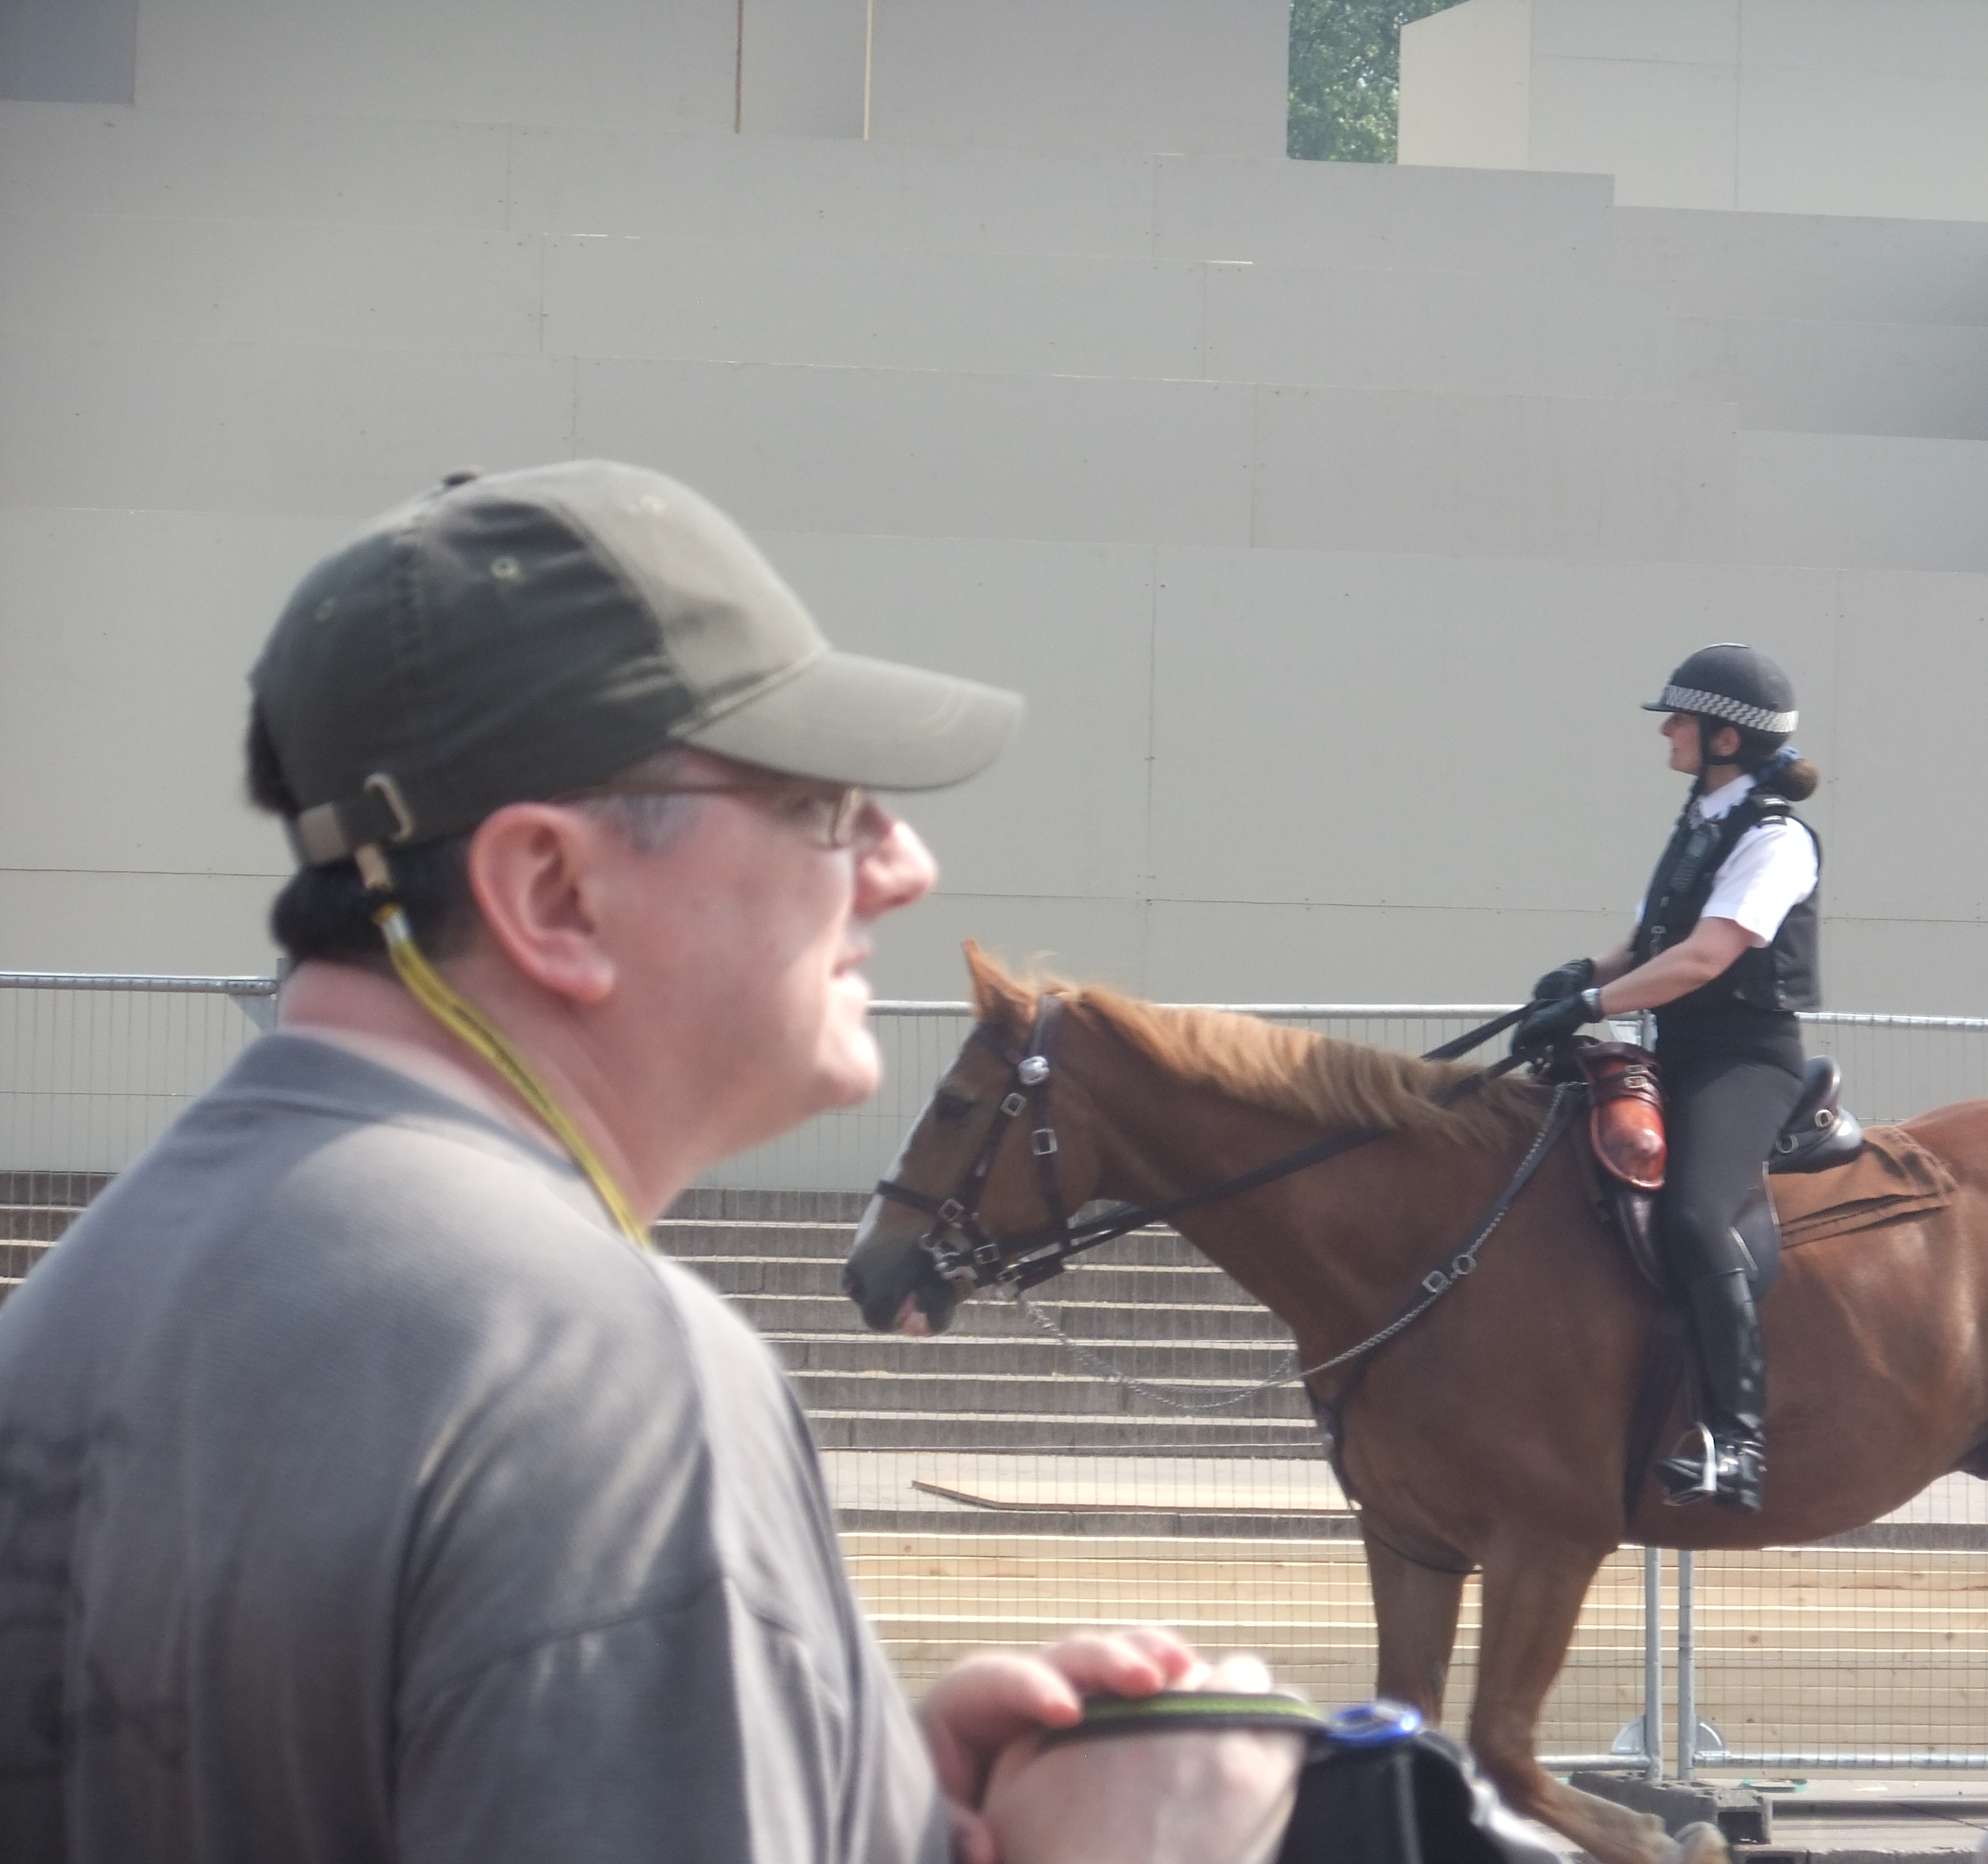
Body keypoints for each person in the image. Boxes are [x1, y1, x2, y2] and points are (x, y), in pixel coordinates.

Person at [0, 462, 1306, 1863]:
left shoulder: (79, 1308)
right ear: (555, 893)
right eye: (819, 804)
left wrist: (835, 1790)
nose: (901, 863)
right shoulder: (597, 1380)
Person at [1511, 644, 1823, 1515]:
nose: (1667, 734)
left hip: (1744, 1058)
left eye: (1679, 720)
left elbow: (1704, 958)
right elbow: (1651, 943)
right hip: (1673, 1046)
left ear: (1726, 737)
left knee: (1692, 1216)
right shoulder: (1700, 825)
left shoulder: (1775, 840)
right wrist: (1580, 975)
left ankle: (1739, 1441)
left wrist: (1591, 1004)